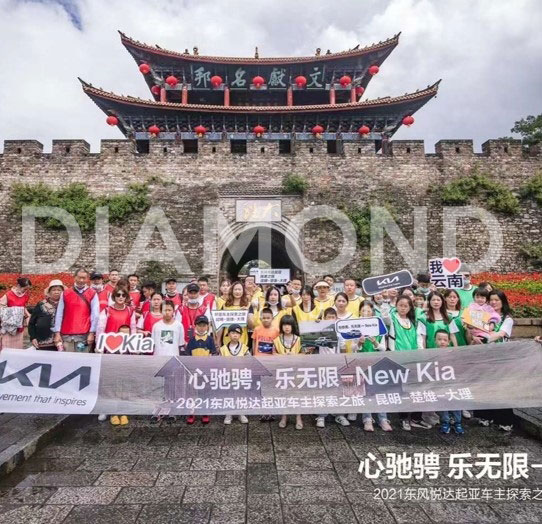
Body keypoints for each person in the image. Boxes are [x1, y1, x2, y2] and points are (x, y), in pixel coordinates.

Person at [381, 295, 427, 431]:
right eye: (400, 305)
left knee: (416, 388)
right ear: (396, 306)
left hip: (413, 358)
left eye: (405, 306)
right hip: (398, 358)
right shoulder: (393, 319)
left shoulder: (414, 321)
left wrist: (421, 353)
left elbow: (419, 339)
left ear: (410, 307)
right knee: (402, 389)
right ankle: (404, 418)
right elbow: (384, 317)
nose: (402, 308)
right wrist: (385, 301)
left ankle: (416, 418)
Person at [476, 290, 515, 431]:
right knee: (485, 386)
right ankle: (486, 416)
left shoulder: (507, 319)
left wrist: (486, 338)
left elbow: (501, 334)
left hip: (500, 358)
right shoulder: (483, 315)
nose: (493, 303)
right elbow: (475, 330)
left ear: (503, 302)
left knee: (501, 388)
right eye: (491, 300)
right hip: (485, 357)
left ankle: (505, 420)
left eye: (497, 300)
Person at [355, 301, 392, 432]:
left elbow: (383, 348)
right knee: (365, 391)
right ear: (360, 312)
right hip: (362, 362)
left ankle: (383, 419)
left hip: (377, 362)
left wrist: (375, 342)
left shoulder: (378, 326)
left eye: (369, 311)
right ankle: (367, 419)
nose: (366, 313)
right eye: (363, 310)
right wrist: (359, 343)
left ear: (372, 312)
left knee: (380, 390)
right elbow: (353, 348)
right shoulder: (355, 326)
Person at [54, 268, 99, 352]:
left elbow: (95, 314)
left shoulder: (92, 293)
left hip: (84, 335)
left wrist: (92, 332)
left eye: (84, 278)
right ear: (74, 277)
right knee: (67, 358)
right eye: (79, 277)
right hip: (66, 335)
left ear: (87, 279)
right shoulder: (65, 293)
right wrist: (57, 332)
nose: (81, 280)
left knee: (82, 358)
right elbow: (59, 314)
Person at [185, 315, 216, 425]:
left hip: (205, 372)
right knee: (192, 393)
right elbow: (188, 356)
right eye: (199, 325)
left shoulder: (210, 340)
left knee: (205, 392)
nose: (201, 328)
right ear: (195, 326)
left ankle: (204, 412)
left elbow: (213, 355)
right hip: (193, 372)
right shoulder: (192, 341)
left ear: (208, 326)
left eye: (204, 325)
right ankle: (191, 412)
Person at [274, 315, 303, 430]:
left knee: (297, 394)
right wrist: (283, 356)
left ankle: (298, 417)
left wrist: (294, 356)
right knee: (284, 394)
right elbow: (273, 354)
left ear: (293, 326)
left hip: (297, 371)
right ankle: (284, 416)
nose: (287, 327)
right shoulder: (277, 340)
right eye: (285, 325)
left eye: (289, 325)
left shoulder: (299, 339)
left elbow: (304, 354)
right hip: (283, 371)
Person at [435, 330, 465, 435]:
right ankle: (445, 422)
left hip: (453, 384)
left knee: (456, 402)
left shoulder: (453, 354)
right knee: (443, 403)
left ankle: (457, 422)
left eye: (445, 340)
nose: (442, 342)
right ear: (435, 341)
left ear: (449, 342)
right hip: (441, 384)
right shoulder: (432, 355)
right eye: (439, 339)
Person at [219, 324, 249, 425]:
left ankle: (241, 413)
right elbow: (220, 363)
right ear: (228, 334)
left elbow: (249, 361)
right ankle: (229, 414)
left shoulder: (244, 348)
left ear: (240, 335)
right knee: (228, 394)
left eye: (237, 333)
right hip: (228, 376)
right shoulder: (223, 349)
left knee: (241, 395)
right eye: (232, 333)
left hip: (240, 376)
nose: (235, 335)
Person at [28, 279, 64, 351]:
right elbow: (31, 323)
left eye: (59, 290)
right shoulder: (41, 305)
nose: (56, 292)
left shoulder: (66, 305)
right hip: (43, 343)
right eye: (54, 290)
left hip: (61, 342)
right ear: (49, 292)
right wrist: (33, 337)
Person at [0, 277, 31, 349]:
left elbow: (23, 307)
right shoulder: (8, 295)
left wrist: (28, 316)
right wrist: (15, 312)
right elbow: (1, 307)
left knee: (17, 347)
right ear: (19, 286)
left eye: (27, 289)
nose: (26, 291)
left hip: (19, 326)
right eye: (25, 289)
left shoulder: (25, 296)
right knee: (7, 347)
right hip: (9, 326)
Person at [218, 281, 250, 347]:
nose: (237, 292)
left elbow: (252, 326)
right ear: (232, 291)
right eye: (235, 289)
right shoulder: (225, 305)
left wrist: (247, 315)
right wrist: (218, 341)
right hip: (227, 339)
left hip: (242, 339)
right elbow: (220, 325)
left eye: (239, 289)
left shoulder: (248, 305)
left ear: (243, 291)